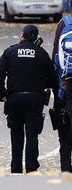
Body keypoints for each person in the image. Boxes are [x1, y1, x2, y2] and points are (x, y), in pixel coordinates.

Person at [0, 25, 56, 173]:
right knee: (32, 135)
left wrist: (2, 93)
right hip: (35, 99)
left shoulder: (10, 51)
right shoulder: (41, 53)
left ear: (22, 35)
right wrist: (43, 85)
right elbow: (53, 78)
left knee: (16, 134)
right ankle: (31, 168)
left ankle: (15, 168)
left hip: (14, 99)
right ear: (35, 38)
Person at [51, 17, 72, 172]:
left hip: (65, 85)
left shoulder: (64, 24)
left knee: (64, 129)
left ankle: (65, 170)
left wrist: (57, 90)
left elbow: (55, 58)